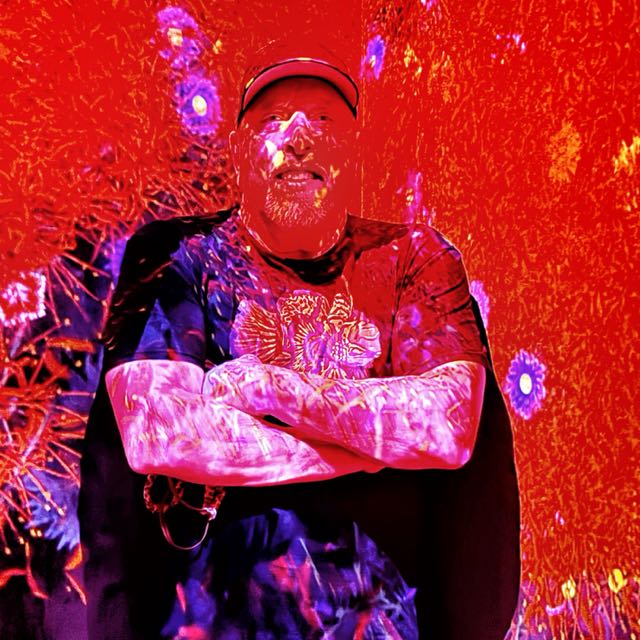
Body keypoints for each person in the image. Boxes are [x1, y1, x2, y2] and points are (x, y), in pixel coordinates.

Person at [79, 40, 520, 639]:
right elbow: (163, 430)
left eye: (325, 120)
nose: (298, 136)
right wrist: (372, 451)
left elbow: (447, 424)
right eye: (272, 120)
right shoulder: (177, 256)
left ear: (355, 151)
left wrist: (271, 390)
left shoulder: (415, 258)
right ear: (239, 150)